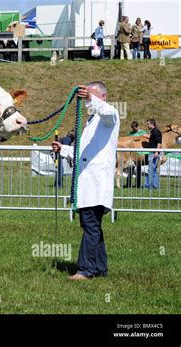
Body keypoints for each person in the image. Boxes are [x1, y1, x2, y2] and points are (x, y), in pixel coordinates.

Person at [52, 82, 120, 280]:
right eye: (86, 96)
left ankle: (85, 270)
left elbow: (107, 112)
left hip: (96, 183)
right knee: (92, 226)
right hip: (88, 183)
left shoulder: (110, 115)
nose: (87, 100)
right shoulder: (91, 121)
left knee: (90, 225)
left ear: (103, 97)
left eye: (91, 95)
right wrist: (63, 149)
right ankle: (100, 268)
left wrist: (91, 98)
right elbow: (83, 152)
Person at [125, 121, 147, 188]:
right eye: (132, 128)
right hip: (132, 154)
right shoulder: (131, 134)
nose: (133, 129)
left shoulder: (143, 133)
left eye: (134, 128)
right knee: (130, 169)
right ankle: (128, 184)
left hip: (140, 154)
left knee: (138, 170)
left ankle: (138, 184)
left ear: (137, 127)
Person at [144, 119, 162, 189]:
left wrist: (156, 152)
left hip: (153, 153)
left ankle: (147, 186)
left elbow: (159, 143)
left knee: (150, 170)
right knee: (154, 170)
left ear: (152, 124)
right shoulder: (153, 131)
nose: (147, 125)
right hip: (153, 152)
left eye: (148, 124)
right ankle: (156, 186)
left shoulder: (156, 131)